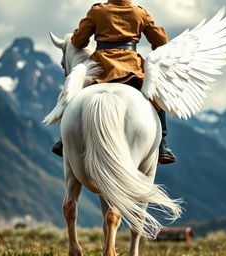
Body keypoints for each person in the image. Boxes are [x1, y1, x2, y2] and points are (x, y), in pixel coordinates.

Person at [53, 0, 176, 164]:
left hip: (100, 68)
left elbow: (78, 42)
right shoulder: (140, 13)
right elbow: (161, 42)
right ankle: (162, 145)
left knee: (76, 92)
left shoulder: (97, 11)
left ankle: (64, 140)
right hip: (132, 69)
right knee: (155, 97)